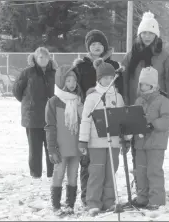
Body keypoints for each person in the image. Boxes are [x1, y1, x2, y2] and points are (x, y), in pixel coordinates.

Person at [121, 11, 169, 184]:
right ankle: (140, 183)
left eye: (151, 33)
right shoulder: (131, 56)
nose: (147, 36)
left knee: (154, 147)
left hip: (157, 107)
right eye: (144, 32)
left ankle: (153, 184)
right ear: (139, 34)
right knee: (138, 147)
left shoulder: (164, 56)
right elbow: (124, 79)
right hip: (135, 105)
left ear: (156, 34)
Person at [72, 29, 121, 207]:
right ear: (88, 48)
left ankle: (106, 199)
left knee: (107, 167)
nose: (96, 47)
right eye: (93, 44)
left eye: (100, 44)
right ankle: (88, 198)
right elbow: (72, 86)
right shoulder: (81, 66)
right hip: (87, 115)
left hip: (108, 116)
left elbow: (118, 89)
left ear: (104, 46)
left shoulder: (114, 65)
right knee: (89, 164)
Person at [78, 59, 127, 216]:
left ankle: (109, 201)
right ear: (98, 79)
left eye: (110, 77)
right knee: (96, 172)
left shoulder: (118, 97)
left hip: (113, 142)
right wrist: (83, 140)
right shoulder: (93, 97)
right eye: (104, 77)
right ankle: (93, 202)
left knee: (110, 172)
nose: (107, 80)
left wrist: (125, 138)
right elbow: (86, 119)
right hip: (96, 142)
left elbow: (123, 119)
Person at [131, 67, 169, 209]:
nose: (142, 87)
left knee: (153, 171)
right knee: (141, 171)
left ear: (153, 85)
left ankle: (156, 199)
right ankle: (142, 198)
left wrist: (154, 124)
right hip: (140, 142)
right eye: (141, 84)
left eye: (146, 84)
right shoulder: (139, 101)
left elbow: (168, 118)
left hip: (156, 142)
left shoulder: (162, 100)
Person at [12, 47, 57, 179]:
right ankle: (35, 173)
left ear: (49, 58)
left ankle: (52, 173)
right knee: (34, 147)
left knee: (51, 146)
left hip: (51, 116)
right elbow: (16, 90)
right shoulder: (27, 73)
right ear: (35, 58)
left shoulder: (54, 73)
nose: (43, 59)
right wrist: (29, 102)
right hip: (33, 117)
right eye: (40, 57)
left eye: (45, 57)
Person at [44, 65, 83, 215]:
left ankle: (70, 205)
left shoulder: (78, 100)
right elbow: (50, 127)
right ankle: (56, 205)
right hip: (61, 147)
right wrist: (51, 148)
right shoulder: (53, 102)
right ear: (61, 82)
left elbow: (84, 123)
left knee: (73, 175)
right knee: (58, 174)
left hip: (76, 146)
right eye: (68, 80)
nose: (72, 84)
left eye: (74, 80)